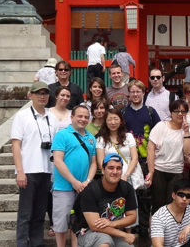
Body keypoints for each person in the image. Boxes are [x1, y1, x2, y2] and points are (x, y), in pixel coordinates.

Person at [11, 81, 58, 247]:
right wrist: (20, 171)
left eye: (45, 93)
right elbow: (16, 144)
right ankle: (22, 243)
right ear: (30, 95)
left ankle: (37, 244)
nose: (42, 96)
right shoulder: (22, 116)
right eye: (39, 93)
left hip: (46, 170)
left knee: (39, 213)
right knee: (25, 213)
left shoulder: (52, 117)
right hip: (29, 170)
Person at [51, 105, 98, 247]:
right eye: (80, 116)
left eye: (86, 117)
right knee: (61, 222)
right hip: (64, 187)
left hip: (83, 188)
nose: (83, 119)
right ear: (72, 117)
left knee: (78, 222)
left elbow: (94, 163)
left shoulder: (91, 138)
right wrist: (74, 182)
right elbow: (58, 161)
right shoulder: (62, 135)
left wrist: (87, 181)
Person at [121, 80, 161, 238]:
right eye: (132, 92)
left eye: (138, 91)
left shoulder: (150, 112)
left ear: (144, 93)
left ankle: (143, 227)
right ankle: (130, 225)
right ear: (129, 94)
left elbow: (159, 133)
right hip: (127, 160)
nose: (135, 94)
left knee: (145, 195)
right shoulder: (123, 111)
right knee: (128, 194)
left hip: (145, 160)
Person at [77, 153, 138, 247]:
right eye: (111, 168)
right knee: (104, 242)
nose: (115, 171)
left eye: (118, 168)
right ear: (102, 170)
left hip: (113, 231)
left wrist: (112, 223)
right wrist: (124, 234)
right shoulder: (90, 190)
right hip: (89, 231)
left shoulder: (127, 188)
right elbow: (94, 225)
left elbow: (132, 216)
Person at [147, 100, 190, 217]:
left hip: (176, 171)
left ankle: (170, 234)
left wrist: (186, 132)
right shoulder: (161, 126)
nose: (180, 114)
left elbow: (187, 151)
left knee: (172, 205)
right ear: (171, 112)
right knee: (157, 206)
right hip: (159, 170)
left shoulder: (187, 128)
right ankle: (155, 233)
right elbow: (150, 149)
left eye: (183, 111)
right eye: (176, 111)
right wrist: (151, 172)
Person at [46, 86, 73, 237]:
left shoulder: (72, 114)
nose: (65, 98)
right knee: (52, 191)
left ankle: (69, 222)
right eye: (62, 95)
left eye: (67, 96)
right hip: (50, 157)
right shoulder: (48, 113)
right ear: (56, 96)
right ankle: (53, 223)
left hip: (67, 158)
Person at [95, 108, 140, 188]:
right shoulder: (100, 140)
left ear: (121, 121)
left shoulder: (128, 137)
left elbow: (135, 158)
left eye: (116, 119)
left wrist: (126, 175)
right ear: (105, 122)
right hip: (110, 177)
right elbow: (101, 162)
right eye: (109, 119)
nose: (113, 122)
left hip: (129, 176)